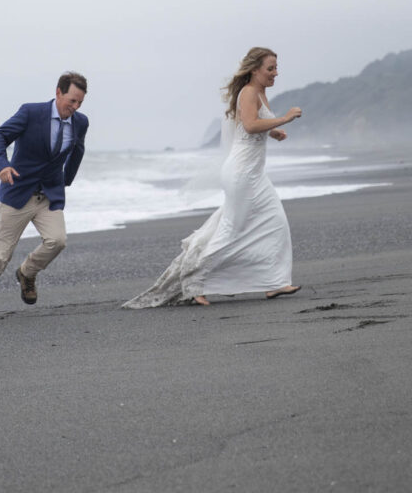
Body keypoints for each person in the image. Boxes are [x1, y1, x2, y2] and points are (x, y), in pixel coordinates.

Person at [123, 48, 301, 309]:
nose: (276, 73)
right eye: (270, 68)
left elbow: (248, 125)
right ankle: (195, 284)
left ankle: (274, 282)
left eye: (276, 68)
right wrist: (284, 118)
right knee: (231, 230)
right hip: (242, 173)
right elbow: (251, 125)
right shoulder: (250, 92)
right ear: (255, 70)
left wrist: (274, 132)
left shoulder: (259, 92)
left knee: (276, 223)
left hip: (253, 173)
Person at [0, 72, 89, 321]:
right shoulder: (31, 113)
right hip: (18, 191)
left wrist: (66, 181)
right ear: (58, 93)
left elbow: (78, 150)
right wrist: (2, 166)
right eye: (72, 101)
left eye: (80, 103)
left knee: (58, 241)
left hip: (49, 195)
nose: (75, 107)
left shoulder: (81, 122)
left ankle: (27, 272)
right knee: (1, 253)